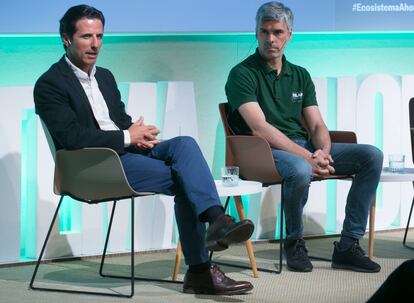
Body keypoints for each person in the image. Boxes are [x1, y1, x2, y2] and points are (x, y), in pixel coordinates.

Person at [34, 4, 254, 295]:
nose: (96, 44)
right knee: (185, 179)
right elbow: (73, 138)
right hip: (93, 166)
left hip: (124, 151)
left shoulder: (106, 77)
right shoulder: (50, 84)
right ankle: (201, 266)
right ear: (66, 38)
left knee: (184, 145)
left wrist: (140, 134)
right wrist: (127, 135)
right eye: (87, 37)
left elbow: (118, 121)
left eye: (100, 36)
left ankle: (217, 223)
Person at [225, 1, 383, 273]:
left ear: (289, 35)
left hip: (304, 149)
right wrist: (309, 158)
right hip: (263, 152)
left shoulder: (300, 74)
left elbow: (318, 125)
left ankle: (347, 245)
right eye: (263, 32)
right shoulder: (242, 74)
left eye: (277, 32)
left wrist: (322, 153)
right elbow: (260, 128)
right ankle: (294, 241)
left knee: (371, 156)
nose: (270, 39)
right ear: (256, 33)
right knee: (299, 168)